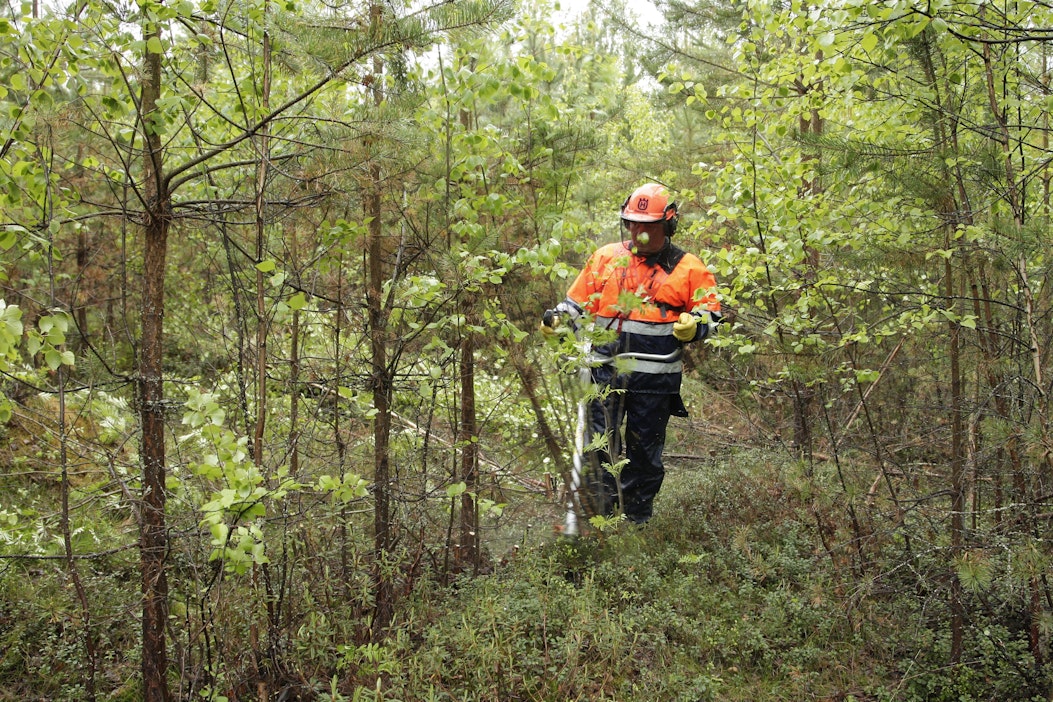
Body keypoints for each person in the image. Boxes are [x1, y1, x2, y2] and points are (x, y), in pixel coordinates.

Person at [541, 182, 721, 524]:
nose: (639, 231)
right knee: (597, 450)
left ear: (668, 224)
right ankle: (599, 521)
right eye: (633, 223)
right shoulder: (606, 258)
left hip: (655, 381)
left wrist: (694, 325)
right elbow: (576, 305)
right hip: (603, 373)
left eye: (648, 225)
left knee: (644, 458)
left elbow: (712, 315)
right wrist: (556, 320)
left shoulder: (689, 268)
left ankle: (636, 522)